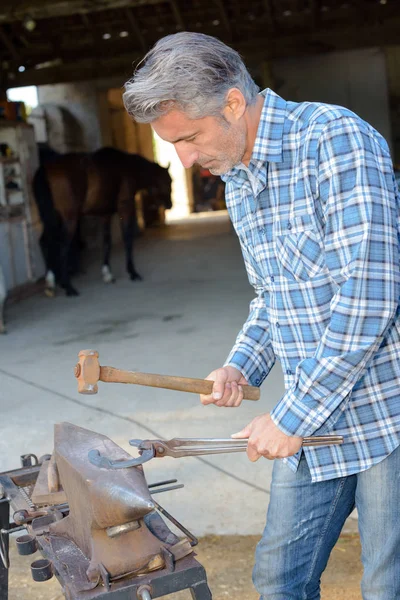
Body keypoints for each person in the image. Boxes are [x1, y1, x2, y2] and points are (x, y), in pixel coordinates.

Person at [123, 32, 400, 600]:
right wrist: (241, 367)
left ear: (232, 103)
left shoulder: (334, 140)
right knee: (279, 579)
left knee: (385, 585)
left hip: (385, 415)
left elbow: (369, 298)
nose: (188, 159)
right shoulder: (238, 179)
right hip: (313, 408)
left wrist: (290, 418)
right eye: (174, 144)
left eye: (191, 137)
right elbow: (274, 294)